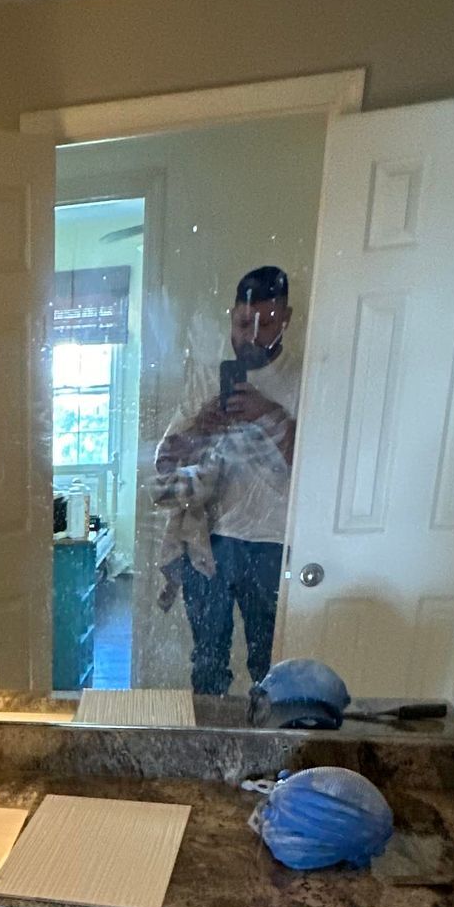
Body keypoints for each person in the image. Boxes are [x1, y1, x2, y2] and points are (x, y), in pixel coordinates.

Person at [153, 265, 299, 697]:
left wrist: (268, 414)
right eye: (242, 324)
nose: (252, 335)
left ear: (286, 318)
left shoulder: (304, 378)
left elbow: (319, 472)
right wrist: (201, 425)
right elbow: (165, 463)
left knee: (271, 669)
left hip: (275, 544)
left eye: (266, 323)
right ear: (231, 316)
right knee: (208, 663)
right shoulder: (206, 377)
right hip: (209, 541)